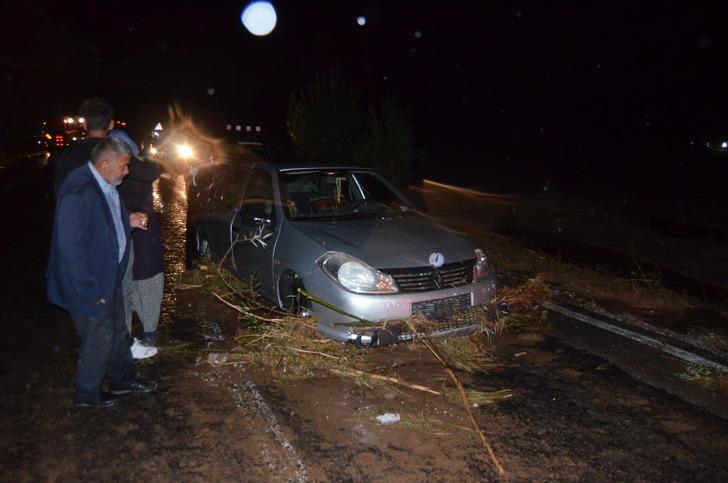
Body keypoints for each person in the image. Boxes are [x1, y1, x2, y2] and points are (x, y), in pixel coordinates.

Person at [47, 137, 157, 408]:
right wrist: (89, 291)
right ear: (105, 163)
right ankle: (87, 394)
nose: (127, 171)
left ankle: (122, 381)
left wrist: (126, 219)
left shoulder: (105, 183)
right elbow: (70, 250)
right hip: (90, 283)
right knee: (99, 337)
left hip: (109, 276)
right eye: (124, 166)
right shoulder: (78, 190)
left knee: (118, 331)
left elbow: (102, 221)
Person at [110, 130, 164, 353]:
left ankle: (146, 333)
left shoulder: (138, 168)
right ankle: (126, 339)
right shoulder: (114, 172)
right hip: (123, 234)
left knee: (145, 281)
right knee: (126, 284)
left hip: (142, 233)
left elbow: (150, 171)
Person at [52, 98, 114, 195]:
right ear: (111, 124)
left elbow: (60, 189)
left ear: (84, 124)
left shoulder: (68, 153)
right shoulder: (116, 153)